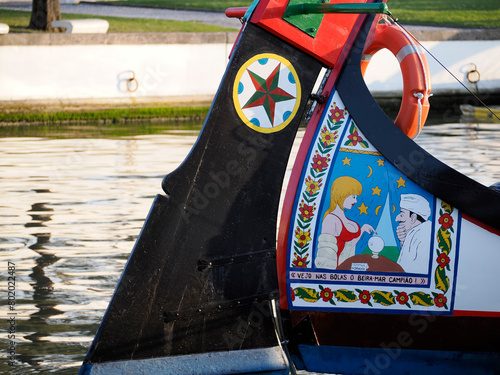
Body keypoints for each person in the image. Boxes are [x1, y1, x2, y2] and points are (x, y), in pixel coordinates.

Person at [315, 176, 374, 269]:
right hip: (337, 270)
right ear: (342, 194)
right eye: (353, 196)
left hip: (347, 269)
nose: (356, 201)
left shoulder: (345, 219)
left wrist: (363, 229)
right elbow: (326, 253)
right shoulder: (330, 219)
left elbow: (349, 246)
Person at [395, 194, 432, 273]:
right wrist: (403, 241)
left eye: (402, 214)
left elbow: (407, 269)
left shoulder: (423, 234)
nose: (397, 219)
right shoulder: (417, 232)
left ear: (413, 218)